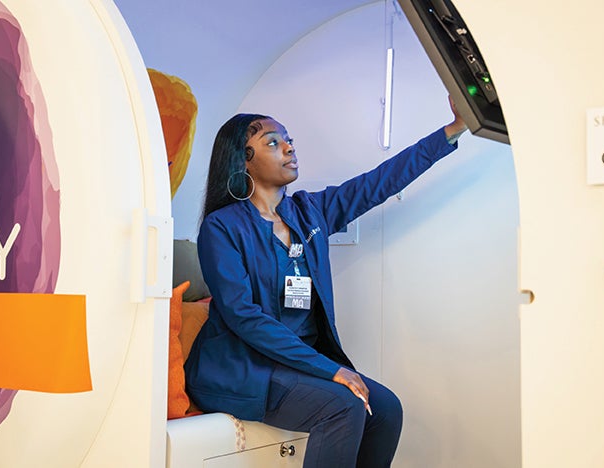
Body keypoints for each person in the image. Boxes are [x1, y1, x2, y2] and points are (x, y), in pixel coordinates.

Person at [184, 98, 467, 467]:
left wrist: (452, 130)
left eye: (288, 139)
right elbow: (244, 317)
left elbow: (378, 183)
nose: (289, 147)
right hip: (242, 369)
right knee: (343, 407)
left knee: (386, 409)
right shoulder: (221, 228)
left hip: (295, 364)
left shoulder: (309, 212)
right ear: (244, 160)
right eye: (273, 142)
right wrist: (331, 370)